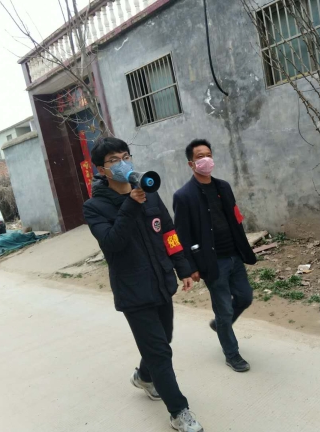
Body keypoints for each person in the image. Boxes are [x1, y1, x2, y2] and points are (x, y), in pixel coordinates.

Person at [82, 137, 204, 432]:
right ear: (101, 169)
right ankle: (179, 412)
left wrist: (183, 268)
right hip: (133, 291)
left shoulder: (150, 194)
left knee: (164, 338)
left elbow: (169, 233)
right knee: (160, 352)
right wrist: (130, 205)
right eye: (114, 160)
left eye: (126, 156)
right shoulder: (94, 207)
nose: (122, 163)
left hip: (161, 281)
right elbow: (112, 243)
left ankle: (144, 377)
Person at [172, 139, 257, 373]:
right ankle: (232, 354)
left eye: (208, 154)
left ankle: (221, 325)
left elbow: (235, 218)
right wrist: (190, 267)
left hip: (234, 255)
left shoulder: (223, 187)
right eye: (200, 156)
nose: (206, 159)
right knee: (224, 309)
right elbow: (182, 235)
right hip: (212, 262)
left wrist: (243, 247)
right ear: (191, 164)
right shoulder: (184, 196)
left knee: (245, 297)